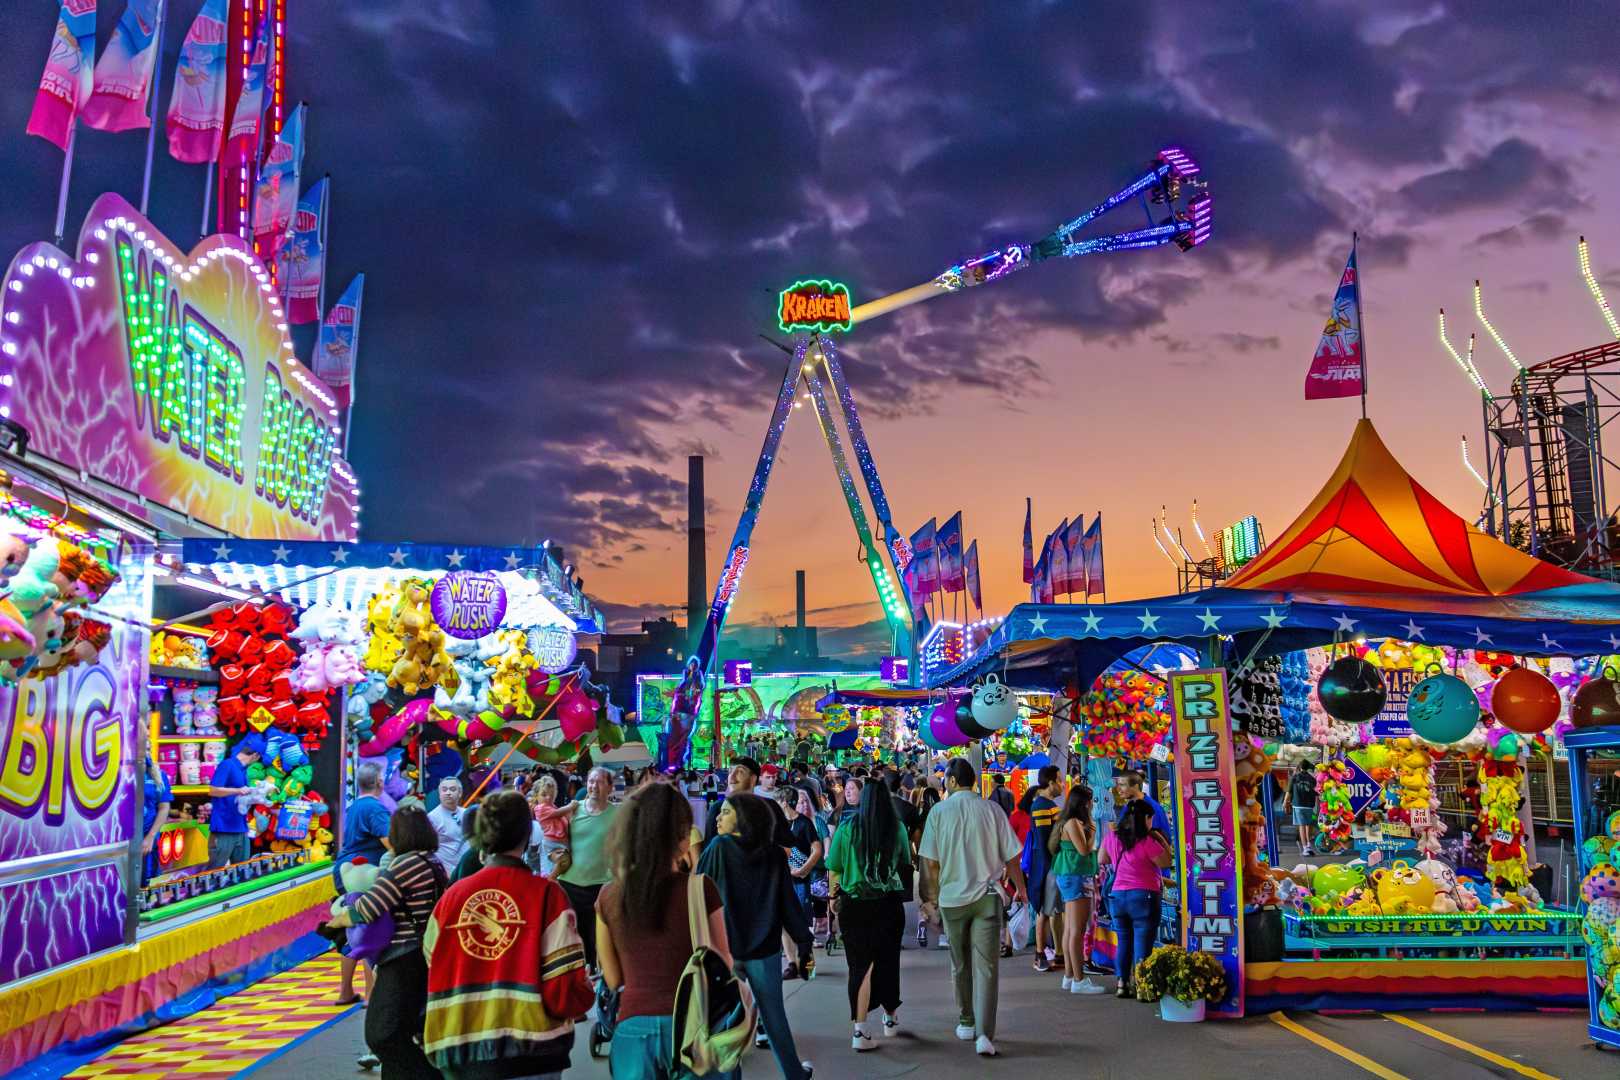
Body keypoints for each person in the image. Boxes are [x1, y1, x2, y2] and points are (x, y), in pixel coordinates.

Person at [422, 790, 592, 1080]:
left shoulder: (451, 899)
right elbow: (563, 991)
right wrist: (585, 994)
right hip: (531, 1052)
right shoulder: (547, 896)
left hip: (461, 1049)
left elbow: (431, 960)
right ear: (528, 834)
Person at [597, 782, 732, 1080]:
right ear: (682, 838)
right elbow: (724, 961)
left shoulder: (609, 897)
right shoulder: (701, 889)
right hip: (694, 1028)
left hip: (633, 1028)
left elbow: (613, 978)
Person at [327, 804, 449, 1079]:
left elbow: (369, 907)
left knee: (382, 1033)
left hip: (403, 956)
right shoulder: (432, 861)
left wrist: (339, 919)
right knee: (406, 1029)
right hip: (424, 953)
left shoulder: (407, 864)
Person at [697, 793, 813, 1080]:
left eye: (725, 812)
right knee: (774, 1017)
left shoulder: (717, 848)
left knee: (728, 1021)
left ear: (743, 818)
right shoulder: (773, 853)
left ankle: (730, 1077)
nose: (718, 818)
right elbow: (788, 903)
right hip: (765, 950)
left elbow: (697, 894)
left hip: (725, 950)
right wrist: (803, 941)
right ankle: (794, 1074)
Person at [917, 758, 1025, 1058]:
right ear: (973, 781)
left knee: (960, 962)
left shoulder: (938, 813)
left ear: (951, 782)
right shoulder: (992, 810)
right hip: (988, 897)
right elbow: (1012, 856)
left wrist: (930, 901)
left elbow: (929, 863)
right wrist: (1022, 889)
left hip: (952, 901)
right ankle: (984, 1035)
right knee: (987, 967)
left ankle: (966, 1019)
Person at [824, 769, 911, 1052]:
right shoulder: (896, 827)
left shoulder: (847, 828)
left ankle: (859, 1030)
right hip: (887, 904)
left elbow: (834, 867)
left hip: (853, 904)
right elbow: (904, 863)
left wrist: (834, 900)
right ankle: (890, 1016)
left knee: (860, 967)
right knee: (888, 960)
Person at [1099, 798, 1172, 998]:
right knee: (1142, 943)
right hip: (1144, 897)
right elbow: (1166, 861)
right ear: (1146, 818)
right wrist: (1161, 839)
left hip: (1117, 897)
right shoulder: (1147, 841)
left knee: (1123, 941)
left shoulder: (1113, 837)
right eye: (1151, 819)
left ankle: (1122, 983)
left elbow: (1101, 859)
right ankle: (1142, 986)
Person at [557, 766, 619, 972]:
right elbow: (554, 836)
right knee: (574, 933)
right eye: (591, 781)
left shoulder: (617, 814)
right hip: (571, 883)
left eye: (599, 782)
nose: (593, 786)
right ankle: (577, 972)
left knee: (599, 935)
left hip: (602, 884)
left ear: (610, 787)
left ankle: (599, 974)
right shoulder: (574, 810)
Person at [1050, 785, 1105, 994]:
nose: (1092, 804)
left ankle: (1070, 976)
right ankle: (1079, 980)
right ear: (1083, 803)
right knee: (1077, 930)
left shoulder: (1067, 821)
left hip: (1070, 875)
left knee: (1071, 929)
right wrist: (1092, 831)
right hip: (1076, 876)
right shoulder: (1074, 823)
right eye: (1090, 800)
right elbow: (1085, 849)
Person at [775, 785, 821, 979]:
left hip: (800, 881)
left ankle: (807, 962)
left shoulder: (804, 824)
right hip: (782, 879)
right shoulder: (776, 825)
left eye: (778, 801)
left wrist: (804, 870)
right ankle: (791, 963)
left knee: (800, 923)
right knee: (784, 923)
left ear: (784, 802)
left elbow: (817, 850)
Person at [1021, 766, 1064, 973]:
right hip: (1046, 866)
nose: (1062, 784)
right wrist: (1051, 867)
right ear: (1050, 783)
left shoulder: (1050, 805)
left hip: (1051, 865)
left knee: (1051, 910)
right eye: (1059, 780)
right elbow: (1045, 840)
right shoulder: (1040, 806)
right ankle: (1039, 954)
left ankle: (1058, 953)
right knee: (1044, 911)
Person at [205, 733, 264, 869]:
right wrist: (237, 790)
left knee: (242, 871)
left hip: (240, 828)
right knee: (215, 871)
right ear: (255, 755)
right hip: (223, 828)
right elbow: (213, 790)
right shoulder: (227, 765)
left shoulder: (243, 770)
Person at [530, 774, 575, 876]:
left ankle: (553, 877)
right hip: (552, 842)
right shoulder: (540, 808)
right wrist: (571, 806)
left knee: (563, 865)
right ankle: (552, 877)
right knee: (560, 863)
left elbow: (562, 818)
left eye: (552, 794)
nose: (548, 798)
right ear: (537, 796)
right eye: (544, 794)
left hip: (560, 841)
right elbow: (558, 813)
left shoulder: (552, 806)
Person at [140, 751, 172, 883]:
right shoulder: (122, 772)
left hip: (147, 836)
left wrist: (150, 836)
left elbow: (164, 808)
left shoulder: (158, 775)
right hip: (124, 837)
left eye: (147, 746)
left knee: (144, 881)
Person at [1117, 770, 1172, 837]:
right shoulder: (1128, 805)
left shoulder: (1152, 808)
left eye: (1122, 785)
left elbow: (1160, 839)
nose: (1118, 789)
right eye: (1118, 785)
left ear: (1135, 787)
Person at [427, 779, 466, 872]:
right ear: (439, 793)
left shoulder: (466, 813)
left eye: (452, 789)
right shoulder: (432, 817)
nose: (448, 793)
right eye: (444, 790)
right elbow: (428, 849)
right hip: (446, 871)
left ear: (460, 793)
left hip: (467, 869)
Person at [1285, 764, 1317, 856]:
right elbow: (1316, 792)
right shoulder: (1312, 778)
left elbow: (1289, 791)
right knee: (1308, 825)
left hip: (1298, 805)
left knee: (1301, 826)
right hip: (1310, 806)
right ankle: (1309, 846)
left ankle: (1305, 848)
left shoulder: (1294, 777)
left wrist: (1285, 802)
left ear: (1298, 768)